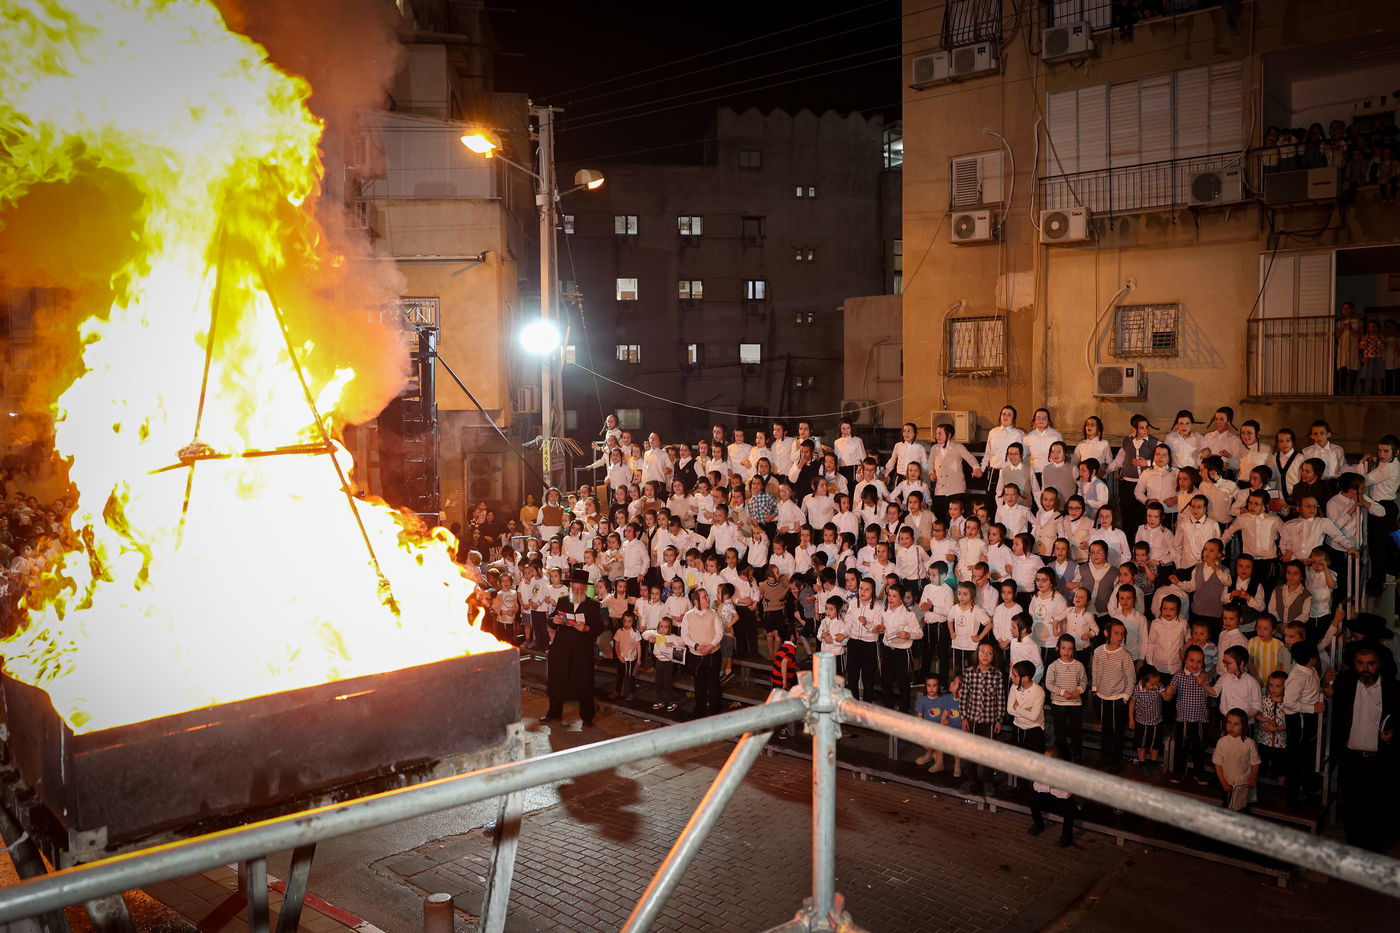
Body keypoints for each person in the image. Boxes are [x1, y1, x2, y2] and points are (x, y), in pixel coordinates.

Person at [1329, 643, 1400, 851]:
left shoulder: (1393, 689)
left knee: (1378, 809)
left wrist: (1393, 734)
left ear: (1379, 664)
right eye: (1360, 663)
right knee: (1352, 808)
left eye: (1370, 663)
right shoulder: (1345, 683)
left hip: (1380, 760)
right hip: (1351, 758)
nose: (1365, 668)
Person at [541, 569, 604, 727]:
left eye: (580, 589)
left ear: (585, 589)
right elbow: (551, 619)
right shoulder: (563, 601)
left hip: (581, 650)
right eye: (574, 588)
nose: (577, 591)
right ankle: (554, 713)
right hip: (561, 648)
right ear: (571, 588)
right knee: (557, 680)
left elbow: (599, 627)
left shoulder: (593, 605)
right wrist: (554, 620)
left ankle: (587, 718)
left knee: (584, 683)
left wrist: (587, 628)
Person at [960, 643, 1007, 793]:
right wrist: (964, 717)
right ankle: (971, 779)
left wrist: (999, 719)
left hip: (989, 721)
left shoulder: (997, 674)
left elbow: (1000, 698)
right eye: (982, 653)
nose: (985, 656)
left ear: (993, 656)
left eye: (989, 653)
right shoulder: (969, 672)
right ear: (977, 654)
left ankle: (988, 781)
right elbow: (964, 696)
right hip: (973, 719)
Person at [1165, 645, 1215, 785]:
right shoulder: (1179, 675)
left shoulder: (1204, 676)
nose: (1195, 664)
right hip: (1183, 719)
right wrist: (1170, 690)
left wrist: (1204, 684)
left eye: (1199, 661)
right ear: (1185, 660)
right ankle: (1179, 771)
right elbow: (1172, 690)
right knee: (1181, 747)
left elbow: (1211, 693)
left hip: (1200, 719)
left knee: (1199, 747)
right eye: (1192, 660)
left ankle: (1199, 772)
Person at [1093, 620, 1135, 771]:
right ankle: (1104, 757)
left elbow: (1131, 678)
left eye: (1122, 633)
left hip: (1118, 699)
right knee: (1106, 730)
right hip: (1102, 697)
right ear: (1107, 633)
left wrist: (1125, 696)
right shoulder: (1098, 651)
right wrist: (1095, 690)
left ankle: (1116, 760)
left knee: (1118, 731)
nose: (1120, 636)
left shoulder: (1125, 656)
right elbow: (1095, 671)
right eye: (1116, 633)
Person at [682, 587, 725, 717]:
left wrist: (710, 646)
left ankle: (714, 710)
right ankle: (700, 709)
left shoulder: (713, 614)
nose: (708, 598)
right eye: (704, 596)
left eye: (707, 595)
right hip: (696, 655)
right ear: (696, 601)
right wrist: (696, 646)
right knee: (699, 683)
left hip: (713, 654)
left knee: (713, 684)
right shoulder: (688, 616)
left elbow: (719, 633)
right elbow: (685, 636)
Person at [1045, 634, 1087, 762]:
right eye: (1063, 648)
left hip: (1075, 704)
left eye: (1069, 649)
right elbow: (1049, 684)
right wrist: (1063, 692)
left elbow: (1084, 681)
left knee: (1076, 732)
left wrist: (1078, 690)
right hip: (1058, 704)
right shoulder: (1054, 665)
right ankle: (1063, 755)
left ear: (1073, 650)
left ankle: (1077, 755)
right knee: (1060, 733)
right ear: (1058, 648)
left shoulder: (1078, 665)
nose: (1066, 651)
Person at [1213, 708, 1262, 812]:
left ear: (1243, 725)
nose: (1231, 727)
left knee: (1241, 808)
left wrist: (1253, 778)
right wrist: (1224, 783)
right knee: (1227, 808)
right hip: (1226, 782)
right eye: (1229, 723)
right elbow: (1218, 764)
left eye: (1236, 724)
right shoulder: (1222, 742)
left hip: (1243, 784)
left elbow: (1255, 763)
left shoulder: (1249, 743)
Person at [914, 673, 962, 776]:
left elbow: (946, 715)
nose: (931, 688)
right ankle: (930, 753)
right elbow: (919, 717)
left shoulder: (943, 699)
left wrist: (945, 722)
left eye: (934, 685)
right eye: (929, 685)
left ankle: (935, 755)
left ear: (938, 687)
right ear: (925, 686)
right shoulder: (922, 699)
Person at [1027, 749, 1076, 848]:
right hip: (1049, 798)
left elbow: (1066, 794)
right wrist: (1052, 788)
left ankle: (1067, 836)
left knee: (1069, 804)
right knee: (1033, 796)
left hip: (1061, 802)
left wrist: (1047, 787)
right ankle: (1038, 825)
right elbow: (1036, 785)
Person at [1130, 665, 1166, 775]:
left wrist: (1169, 690)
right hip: (1141, 722)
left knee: (1155, 745)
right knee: (1141, 745)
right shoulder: (1137, 689)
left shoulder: (1159, 687)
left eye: (1157, 683)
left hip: (1156, 722)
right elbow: (1132, 704)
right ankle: (1142, 763)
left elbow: (1166, 697)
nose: (1155, 686)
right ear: (1142, 681)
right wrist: (1131, 719)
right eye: (1152, 684)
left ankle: (1153, 763)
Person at [1008, 659, 1047, 754]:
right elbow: (1009, 710)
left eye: (1015, 675)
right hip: (1018, 726)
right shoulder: (1014, 687)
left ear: (1025, 678)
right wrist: (1026, 711)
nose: (1011, 677)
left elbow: (1033, 717)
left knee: (1035, 758)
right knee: (1019, 756)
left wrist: (1017, 708)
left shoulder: (1039, 691)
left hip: (1035, 728)